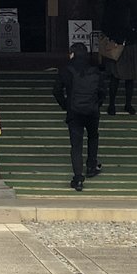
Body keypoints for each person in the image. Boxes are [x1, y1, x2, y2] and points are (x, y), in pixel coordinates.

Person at [52, 42, 104, 190]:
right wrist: (96, 104)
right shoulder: (94, 69)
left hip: (74, 111)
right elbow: (102, 91)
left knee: (76, 145)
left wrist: (65, 105)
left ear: (72, 54)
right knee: (93, 136)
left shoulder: (66, 70)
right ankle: (92, 166)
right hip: (92, 110)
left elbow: (56, 90)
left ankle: (78, 178)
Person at [101, 0, 137, 115]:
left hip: (125, 43)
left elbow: (136, 22)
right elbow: (106, 25)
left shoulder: (128, 5)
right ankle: (115, 104)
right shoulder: (113, 6)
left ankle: (125, 104)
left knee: (124, 77)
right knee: (118, 77)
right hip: (119, 43)